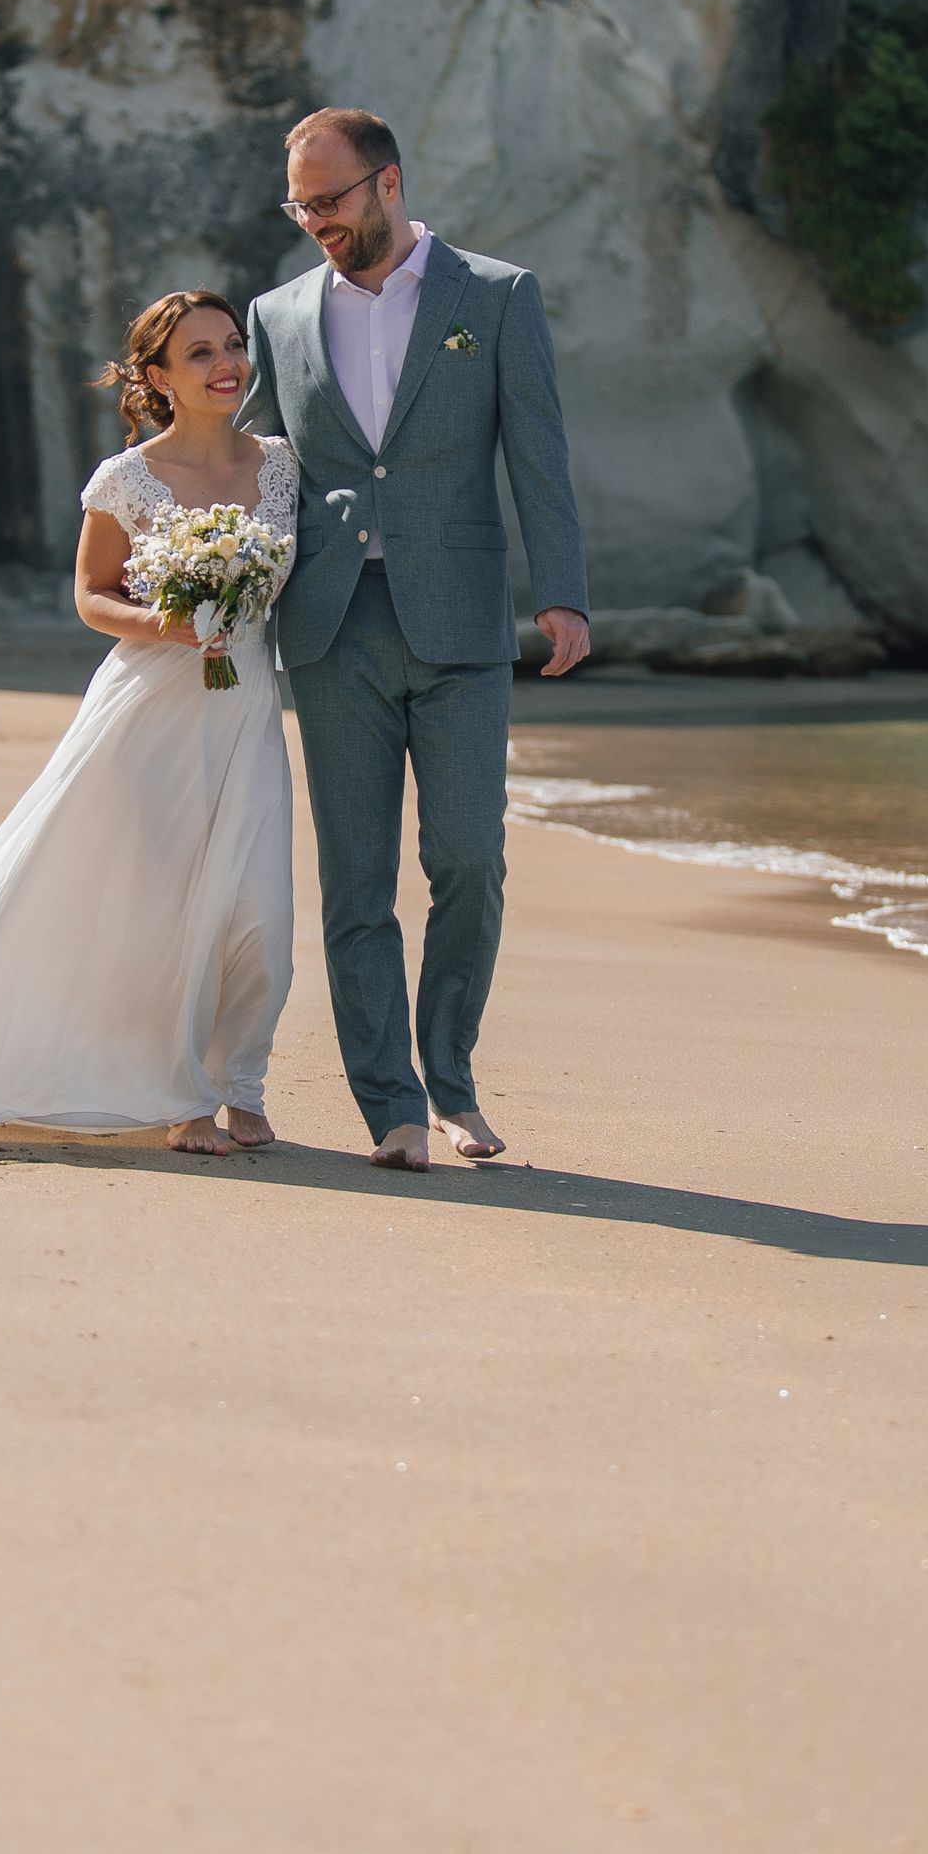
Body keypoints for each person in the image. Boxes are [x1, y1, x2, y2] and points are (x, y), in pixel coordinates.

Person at [0, 292, 297, 1154]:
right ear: (159, 377)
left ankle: (244, 1082)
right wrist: (170, 620)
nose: (225, 363)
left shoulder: (280, 465)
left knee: (257, 913)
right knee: (165, 912)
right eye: (198, 353)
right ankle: (187, 1095)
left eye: (233, 344)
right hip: (148, 714)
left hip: (243, 705)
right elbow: (90, 596)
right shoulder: (126, 477)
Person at [242, 108, 589, 1172]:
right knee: (356, 880)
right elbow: (255, 455)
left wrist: (563, 593)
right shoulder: (278, 311)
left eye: (331, 200)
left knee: (469, 861)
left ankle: (452, 1077)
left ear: (389, 183)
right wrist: (194, 558)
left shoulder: (495, 296)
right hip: (330, 620)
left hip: (462, 622)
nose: (315, 223)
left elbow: (538, 451)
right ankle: (389, 1100)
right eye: (299, 204)